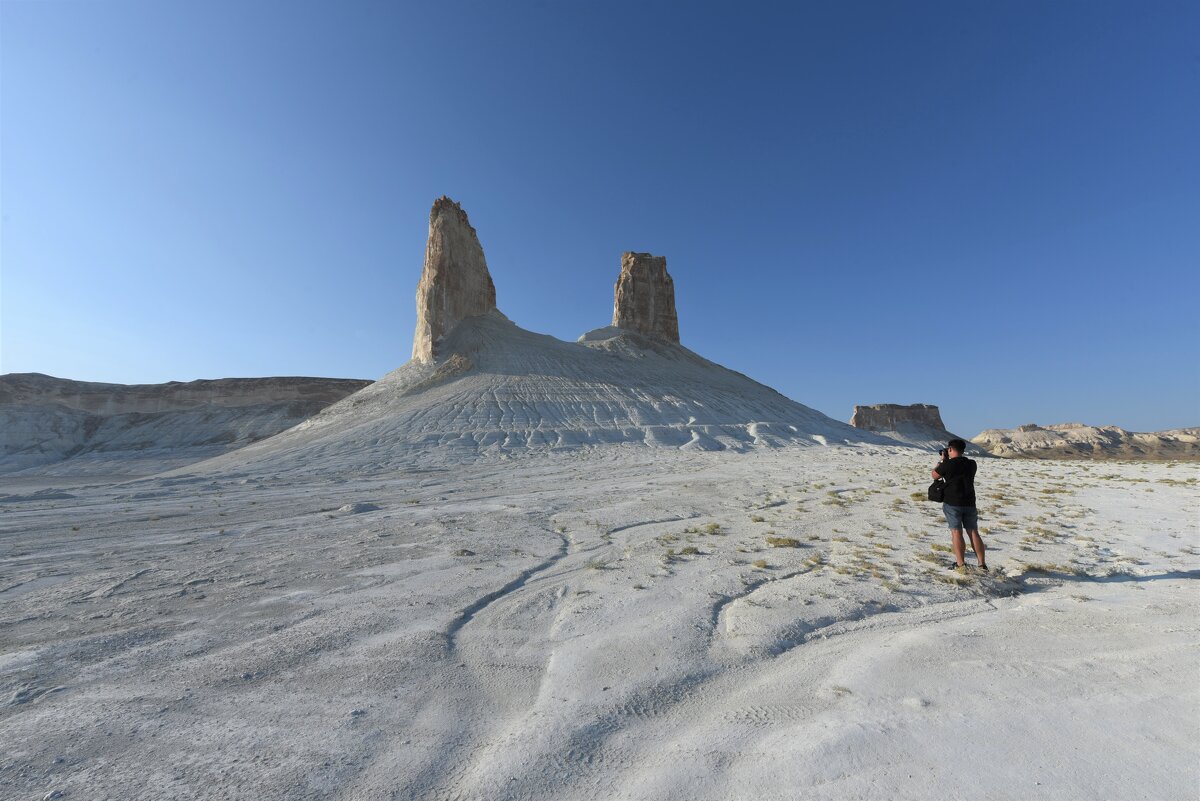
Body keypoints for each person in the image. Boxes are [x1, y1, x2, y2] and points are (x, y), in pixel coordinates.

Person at [931, 438, 987, 571]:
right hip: (970, 502)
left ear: (950, 449)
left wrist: (942, 460)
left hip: (952, 503)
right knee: (973, 532)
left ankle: (961, 564)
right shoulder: (972, 464)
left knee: (956, 532)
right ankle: (982, 564)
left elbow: (934, 475)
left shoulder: (947, 465)